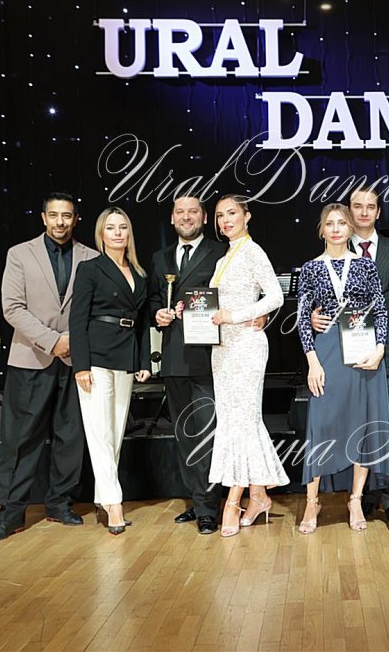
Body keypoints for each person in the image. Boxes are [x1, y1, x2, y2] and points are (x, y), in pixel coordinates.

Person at [0, 192, 98, 543]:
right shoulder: (20, 254)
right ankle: (11, 514)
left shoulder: (92, 257)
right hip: (31, 358)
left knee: (70, 437)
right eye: (54, 215)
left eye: (67, 215)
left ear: (76, 219)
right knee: (20, 440)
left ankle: (59, 504)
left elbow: (96, 308)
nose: (60, 222)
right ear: (43, 218)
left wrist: (72, 342)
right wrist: (52, 341)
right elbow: (12, 307)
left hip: (75, 360)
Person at [311, 186, 389, 532]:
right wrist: (313, 316)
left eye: (371, 206)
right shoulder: (332, 251)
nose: (364, 212)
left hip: (382, 352)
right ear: (348, 213)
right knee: (347, 425)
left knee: (384, 428)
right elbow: (317, 302)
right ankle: (361, 498)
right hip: (337, 355)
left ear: (379, 212)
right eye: (357, 206)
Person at [204, 195, 288, 538]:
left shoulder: (253, 252)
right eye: (220, 216)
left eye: (232, 213)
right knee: (233, 421)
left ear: (246, 216)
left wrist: (238, 315)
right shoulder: (224, 257)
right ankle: (259, 496)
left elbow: (275, 296)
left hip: (247, 347)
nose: (226, 220)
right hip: (222, 348)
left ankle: (232, 501)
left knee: (241, 421)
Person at [148, 194, 228, 536]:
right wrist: (158, 313)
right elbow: (153, 298)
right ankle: (198, 499)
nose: (186, 217)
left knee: (208, 432)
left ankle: (209, 506)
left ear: (204, 217)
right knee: (184, 434)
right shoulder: (160, 257)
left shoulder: (221, 253)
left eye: (193, 211)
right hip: (175, 357)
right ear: (172, 218)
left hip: (210, 356)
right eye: (179, 212)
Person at [70, 207, 151, 535]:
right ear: (101, 234)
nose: (117, 233)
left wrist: (144, 362)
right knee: (99, 433)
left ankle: (103, 498)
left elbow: (142, 323)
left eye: (123, 228)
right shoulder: (90, 269)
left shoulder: (139, 273)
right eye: (111, 228)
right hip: (97, 355)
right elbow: (77, 319)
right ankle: (114, 504)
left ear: (129, 233)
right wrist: (81, 365)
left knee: (115, 432)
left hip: (126, 355)